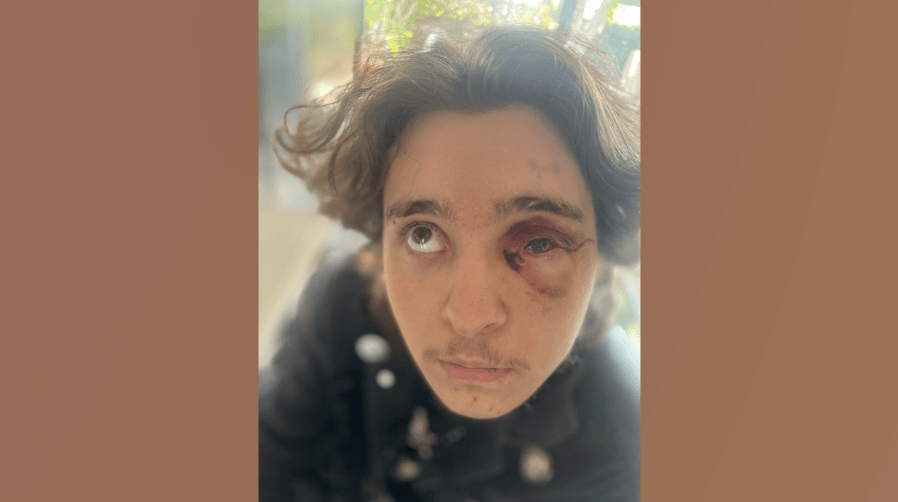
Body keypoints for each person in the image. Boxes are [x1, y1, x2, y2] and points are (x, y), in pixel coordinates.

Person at [260, 26, 640, 502]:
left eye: (539, 242)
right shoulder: (343, 301)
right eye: (422, 234)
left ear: (603, 250)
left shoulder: (621, 450)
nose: (469, 316)